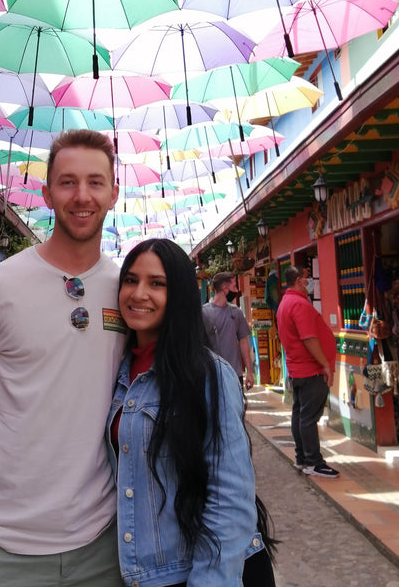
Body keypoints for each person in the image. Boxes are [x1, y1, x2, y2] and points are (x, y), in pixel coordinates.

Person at [0, 130, 127, 587]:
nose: (82, 196)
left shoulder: (127, 291)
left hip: (103, 544)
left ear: (114, 193)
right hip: (1, 548)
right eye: (67, 182)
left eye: (96, 182)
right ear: (46, 193)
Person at [109, 239, 276, 587]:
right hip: (147, 575)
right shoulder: (118, 372)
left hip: (204, 573)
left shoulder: (208, 374)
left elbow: (230, 496)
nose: (139, 293)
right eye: (130, 280)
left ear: (181, 295)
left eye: (157, 283)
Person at [276, 265, 340, 479]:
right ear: (298, 280)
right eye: (307, 277)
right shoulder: (298, 304)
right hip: (310, 370)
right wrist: (325, 365)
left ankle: (302, 458)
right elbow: (309, 338)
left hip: (297, 369)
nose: (310, 280)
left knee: (300, 414)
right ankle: (314, 461)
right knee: (308, 417)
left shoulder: (285, 303)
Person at [202, 271, 254, 390]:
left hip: (235, 374)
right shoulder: (204, 313)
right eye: (234, 287)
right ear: (225, 288)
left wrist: (249, 372)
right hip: (213, 374)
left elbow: (244, 342)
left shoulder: (236, 312)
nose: (236, 291)